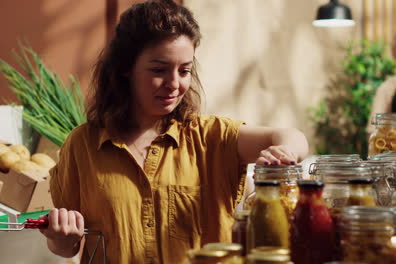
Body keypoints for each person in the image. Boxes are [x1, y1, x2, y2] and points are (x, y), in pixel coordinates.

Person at [39, 1, 309, 263]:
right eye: (159, 70)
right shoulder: (83, 145)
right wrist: (61, 239)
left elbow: (291, 136)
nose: (174, 84)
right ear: (125, 68)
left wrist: (286, 151)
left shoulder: (210, 137)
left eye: (184, 70)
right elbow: (66, 246)